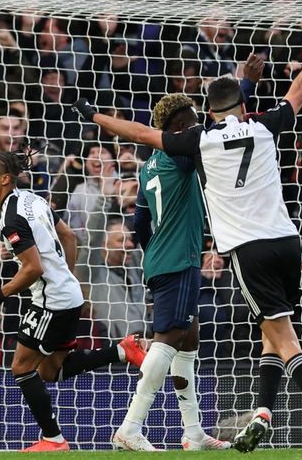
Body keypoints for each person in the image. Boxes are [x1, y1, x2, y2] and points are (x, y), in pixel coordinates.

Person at [73, 30, 302, 454]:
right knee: (259, 334)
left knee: (274, 337)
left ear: (205, 114)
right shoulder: (262, 127)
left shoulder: (192, 146)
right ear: (243, 108)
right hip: (286, 243)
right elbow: (300, 89)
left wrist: (93, 116)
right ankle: (257, 413)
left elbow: (139, 138)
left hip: (234, 251)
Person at [0, 147, 148, 452]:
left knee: (21, 368)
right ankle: (122, 351)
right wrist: (66, 276)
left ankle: (54, 440)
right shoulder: (33, 199)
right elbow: (68, 236)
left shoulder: (11, 219)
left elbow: (32, 268)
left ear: (4, 179)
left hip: (50, 303)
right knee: (50, 370)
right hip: (68, 295)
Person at [94, 93, 227, 451]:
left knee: (189, 339)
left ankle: (194, 432)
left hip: (159, 259)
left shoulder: (149, 163)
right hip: (179, 259)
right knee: (167, 341)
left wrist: (154, 249)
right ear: (181, 127)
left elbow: (139, 221)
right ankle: (131, 427)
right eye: (194, 122)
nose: (199, 127)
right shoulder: (181, 155)